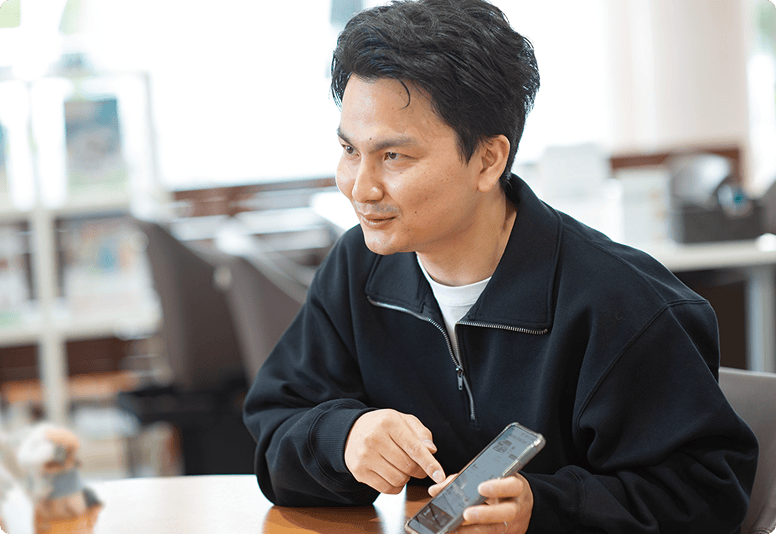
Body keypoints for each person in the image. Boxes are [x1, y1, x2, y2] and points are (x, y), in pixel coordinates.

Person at [243, 0, 759, 532]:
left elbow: (706, 494)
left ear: (488, 160)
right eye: (350, 150)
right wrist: (343, 439)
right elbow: (273, 428)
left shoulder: (624, 305)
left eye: (394, 157)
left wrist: (546, 509)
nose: (361, 187)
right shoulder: (359, 270)